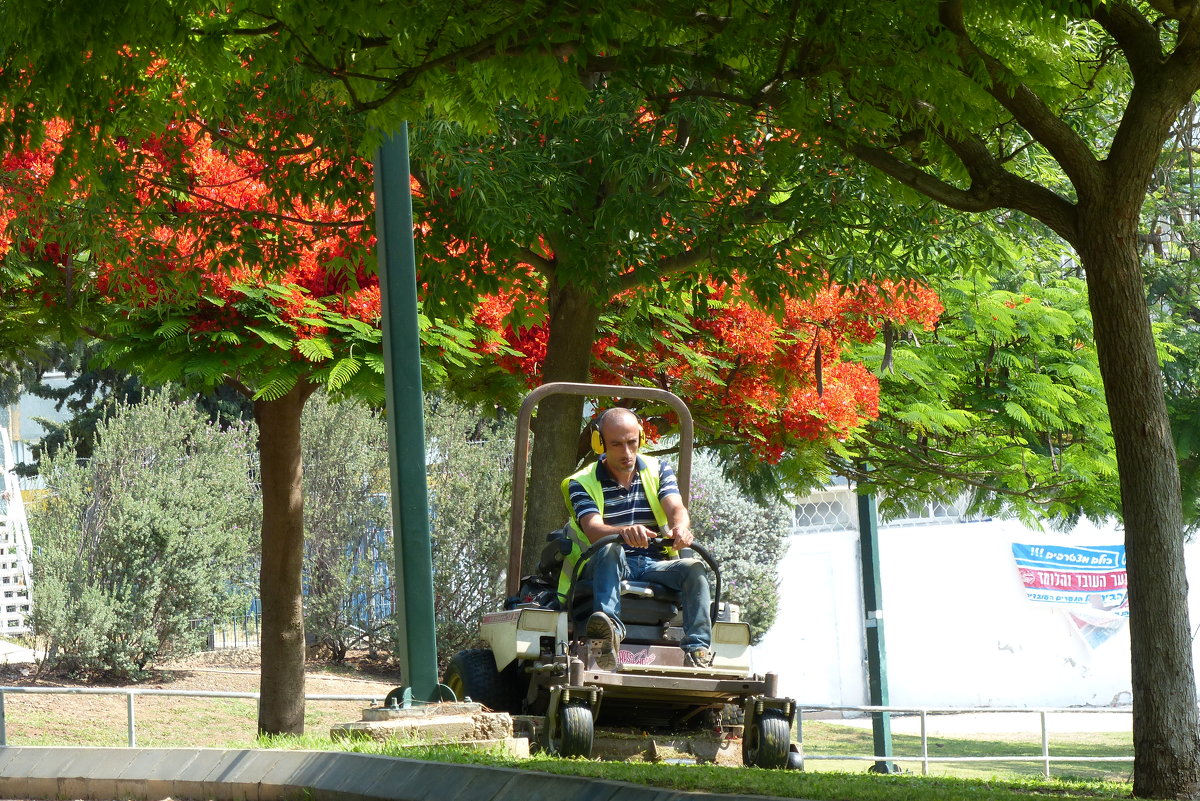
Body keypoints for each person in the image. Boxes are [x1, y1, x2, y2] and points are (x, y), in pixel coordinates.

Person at [558, 407, 713, 670]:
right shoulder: (579, 482)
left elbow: (676, 508)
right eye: (617, 444)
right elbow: (594, 528)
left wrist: (680, 529)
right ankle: (608, 636)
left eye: (632, 443)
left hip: (654, 565)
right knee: (610, 550)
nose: (627, 453)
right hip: (603, 564)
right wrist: (624, 532)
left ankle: (698, 649)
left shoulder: (658, 469)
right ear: (600, 443)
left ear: (641, 439)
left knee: (695, 569)